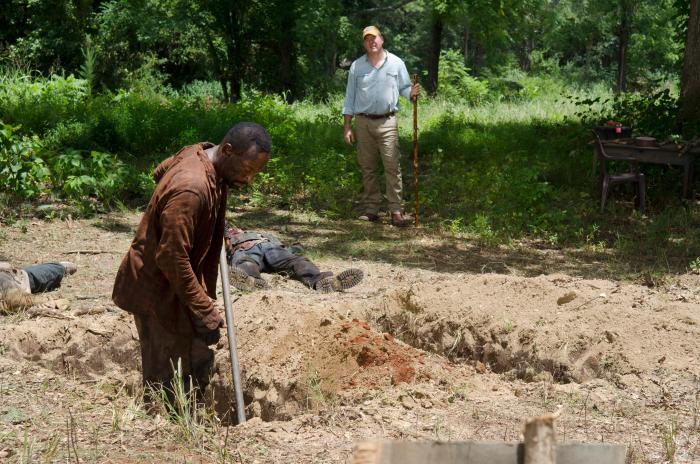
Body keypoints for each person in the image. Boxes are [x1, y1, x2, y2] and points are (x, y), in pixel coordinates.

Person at [112, 122, 271, 404]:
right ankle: (164, 432)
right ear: (228, 150)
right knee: (165, 379)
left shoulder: (202, 153)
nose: (248, 181)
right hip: (156, 290)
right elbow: (171, 257)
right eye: (246, 171)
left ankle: (193, 412)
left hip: (177, 288)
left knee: (195, 355)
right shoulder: (192, 189)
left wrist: (206, 222)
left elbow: (160, 170)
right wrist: (204, 309)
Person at [342, 25, 421, 227]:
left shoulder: (396, 63)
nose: (372, 41)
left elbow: (404, 88)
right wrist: (347, 126)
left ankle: (396, 211)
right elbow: (349, 98)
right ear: (364, 43)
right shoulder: (357, 66)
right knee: (368, 167)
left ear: (382, 39)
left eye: (374, 38)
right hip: (363, 122)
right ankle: (371, 209)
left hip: (388, 121)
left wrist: (411, 93)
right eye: (367, 39)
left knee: (392, 167)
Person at [224, 224, 363, 293]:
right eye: (231, 230)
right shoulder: (225, 238)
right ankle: (252, 282)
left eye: (234, 229)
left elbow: (287, 251)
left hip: (269, 246)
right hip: (243, 250)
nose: (234, 230)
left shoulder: (259, 233)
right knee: (245, 263)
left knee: (296, 261)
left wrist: (295, 249)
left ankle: (323, 281)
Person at [0, 261, 77, 313]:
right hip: (24, 280)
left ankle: (60, 267)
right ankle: (60, 267)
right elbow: (19, 301)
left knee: (59, 268)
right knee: (57, 269)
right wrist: (51, 302)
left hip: (19, 276)